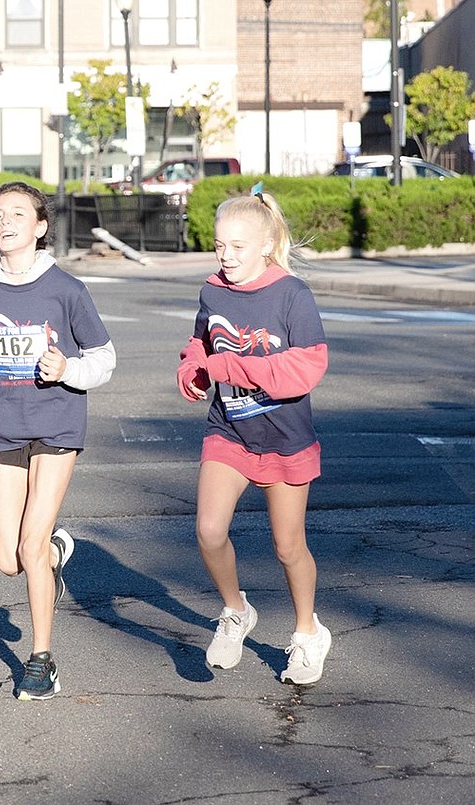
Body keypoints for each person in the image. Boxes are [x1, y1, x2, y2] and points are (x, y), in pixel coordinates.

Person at [0, 181, 116, 701]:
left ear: (40, 228)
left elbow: (104, 358)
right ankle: (55, 553)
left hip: (58, 424)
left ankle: (41, 660)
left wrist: (69, 368)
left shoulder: (67, 289)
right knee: (7, 559)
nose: (5, 221)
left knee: (30, 543)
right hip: (2, 425)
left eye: (18, 213)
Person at [176, 187, 331, 685]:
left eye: (238, 246)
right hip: (230, 432)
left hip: (285, 438)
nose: (226, 255)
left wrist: (229, 365)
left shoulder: (292, 295)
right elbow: (201, 343)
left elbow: (306, 368)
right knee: (208, 530)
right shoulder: (213, 291)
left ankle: (308, 634)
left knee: (288, 548)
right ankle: (235, 611)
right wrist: (192, 368)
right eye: (220, 245)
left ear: (266, 244)